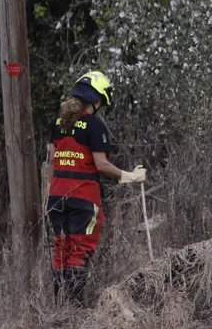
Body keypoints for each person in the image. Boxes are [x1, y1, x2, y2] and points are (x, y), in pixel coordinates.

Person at [42, 70, 146, 303]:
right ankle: (75, 309)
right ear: (97, 100)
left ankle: (60, 309)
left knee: (61, 249)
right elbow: (101, 165)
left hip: (56, 197)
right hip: (84, 199)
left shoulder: (56, 123)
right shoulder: (94, 126)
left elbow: (51, 162)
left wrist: (52, 190)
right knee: (79, 250)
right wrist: (130, 176)